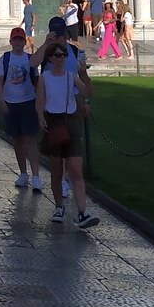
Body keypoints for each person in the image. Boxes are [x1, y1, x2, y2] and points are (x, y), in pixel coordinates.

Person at [35, 42, 99, 230]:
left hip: (70, 122)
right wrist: (40, 117)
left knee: (76, 170)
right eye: (57, 55)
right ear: (50, 58)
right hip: (53, 122)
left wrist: (85, 76)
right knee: (56, 170)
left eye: (63, 54)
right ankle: (59, 207)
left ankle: (82, 212)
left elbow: (88, 92)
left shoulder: (71, 77)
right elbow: (40, 101)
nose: (61, 58)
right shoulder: (44, 77)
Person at [0, 26, 42, 191]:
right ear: (10, 41)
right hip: (10, 102)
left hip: (28, 101)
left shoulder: (30, 60)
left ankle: (36, 175)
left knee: (30, 139)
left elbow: (36, 81)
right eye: (15, 39)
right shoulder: (5, 59)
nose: (17, 42)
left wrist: (39, 103)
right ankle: (23, 173)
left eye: (20, 39)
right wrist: (1, 100)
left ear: (24, 42)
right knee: (17, 139)